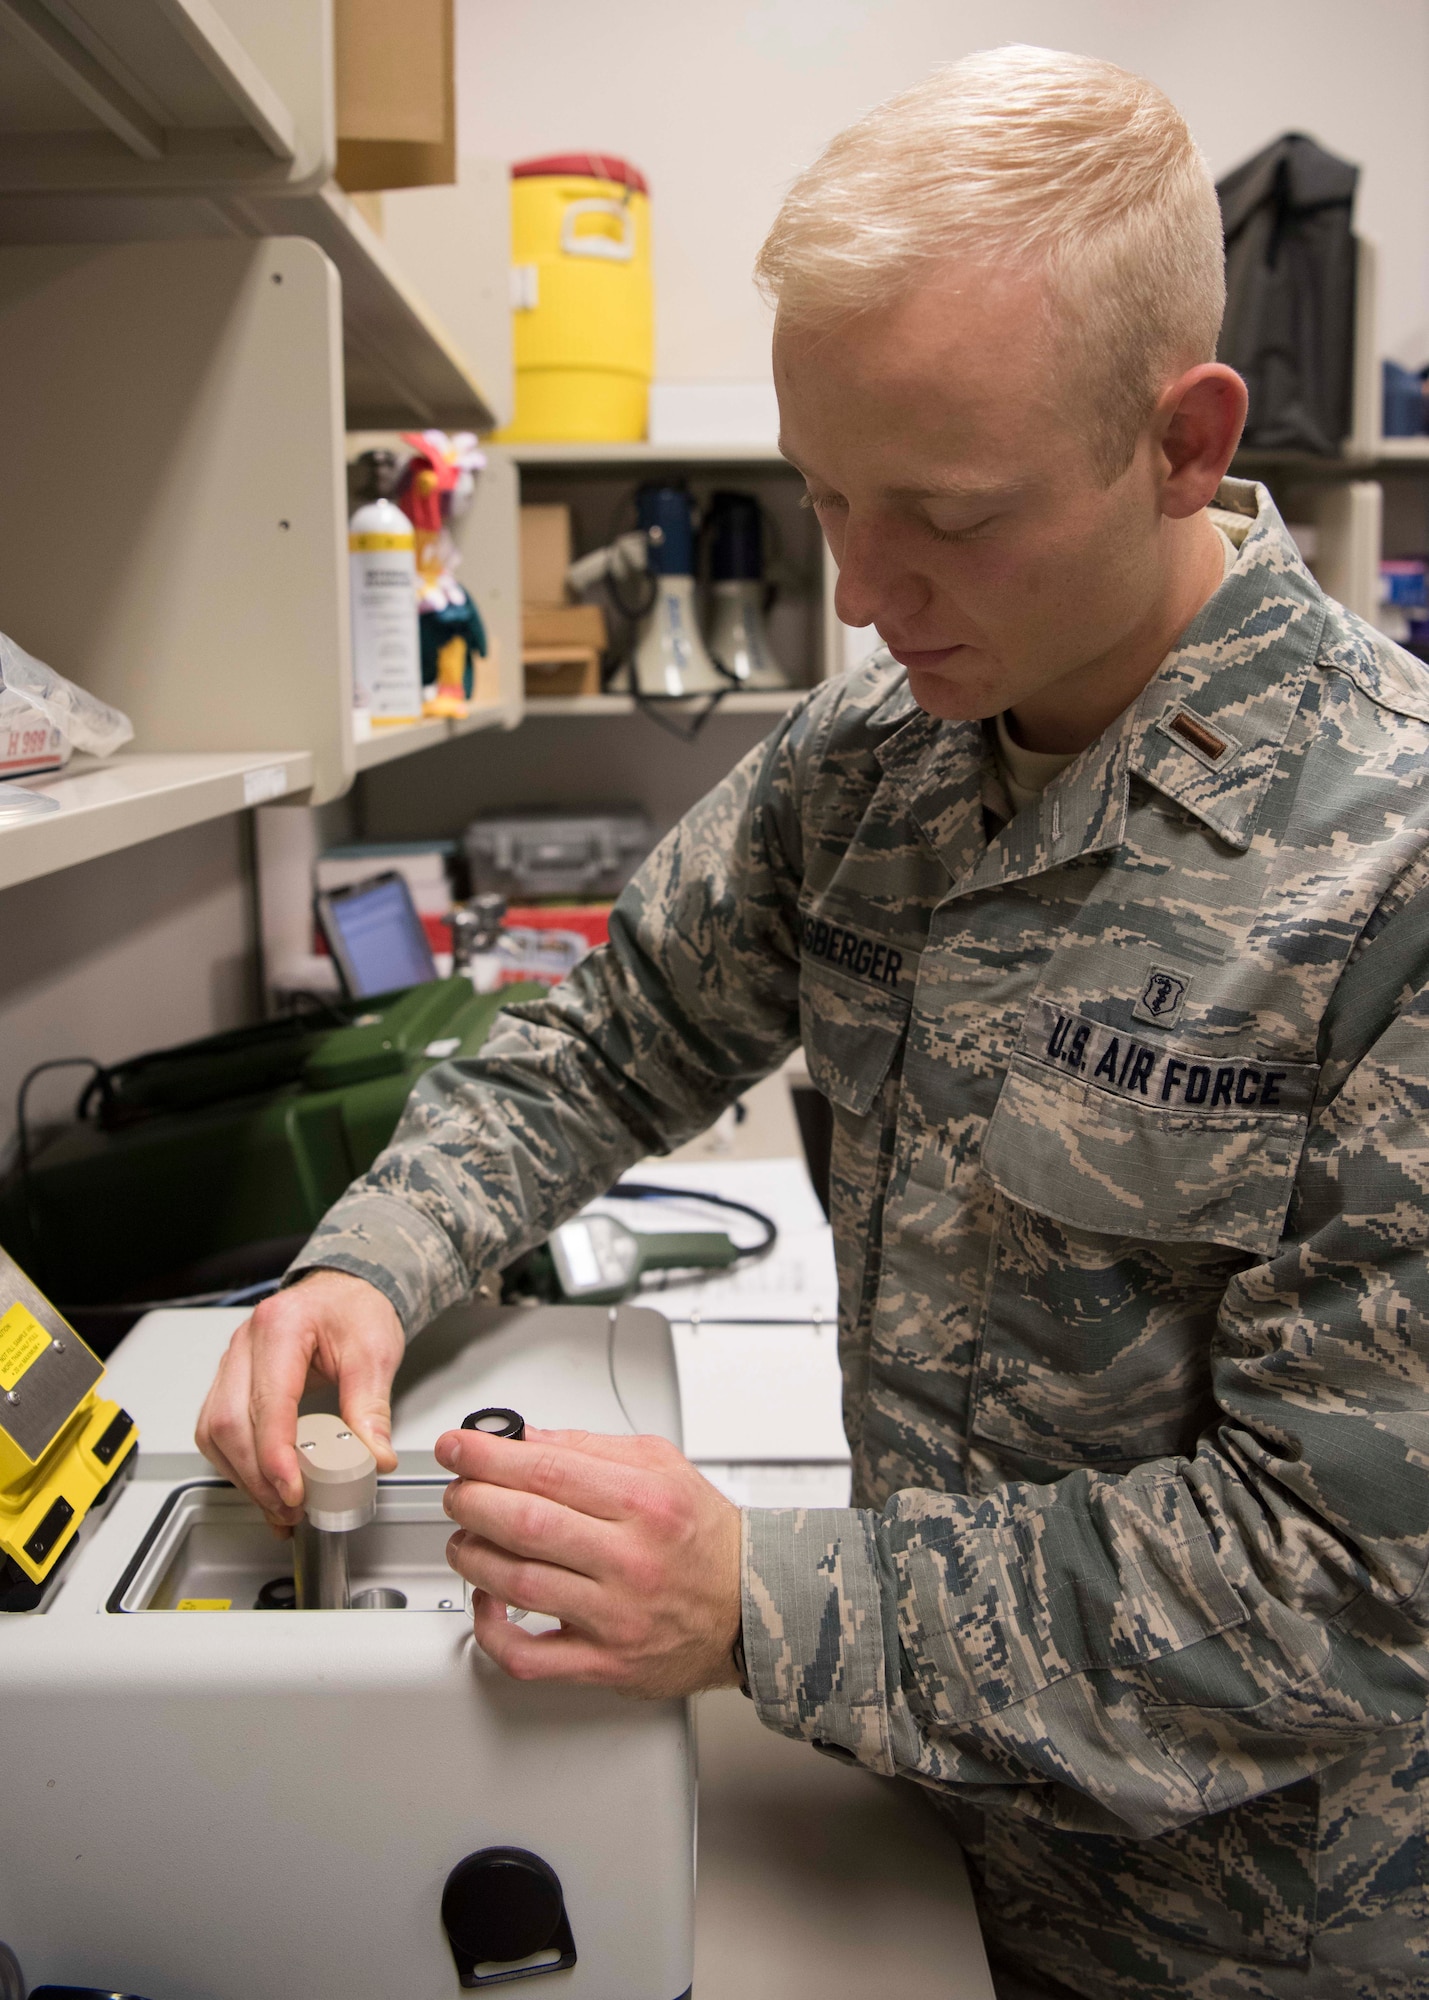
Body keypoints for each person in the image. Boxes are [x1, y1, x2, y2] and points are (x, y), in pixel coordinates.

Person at [198, 46, 1429, 1999]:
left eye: (942, 513)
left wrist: (758, 1597)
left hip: (1232, 1942)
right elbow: (605, 1040)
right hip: (915, 1846)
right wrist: (372, 1253)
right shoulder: (878, 760)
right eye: (826, 499)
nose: (863, 593)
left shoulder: (1386, 872)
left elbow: (1347, 1586)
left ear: (1181, 442)